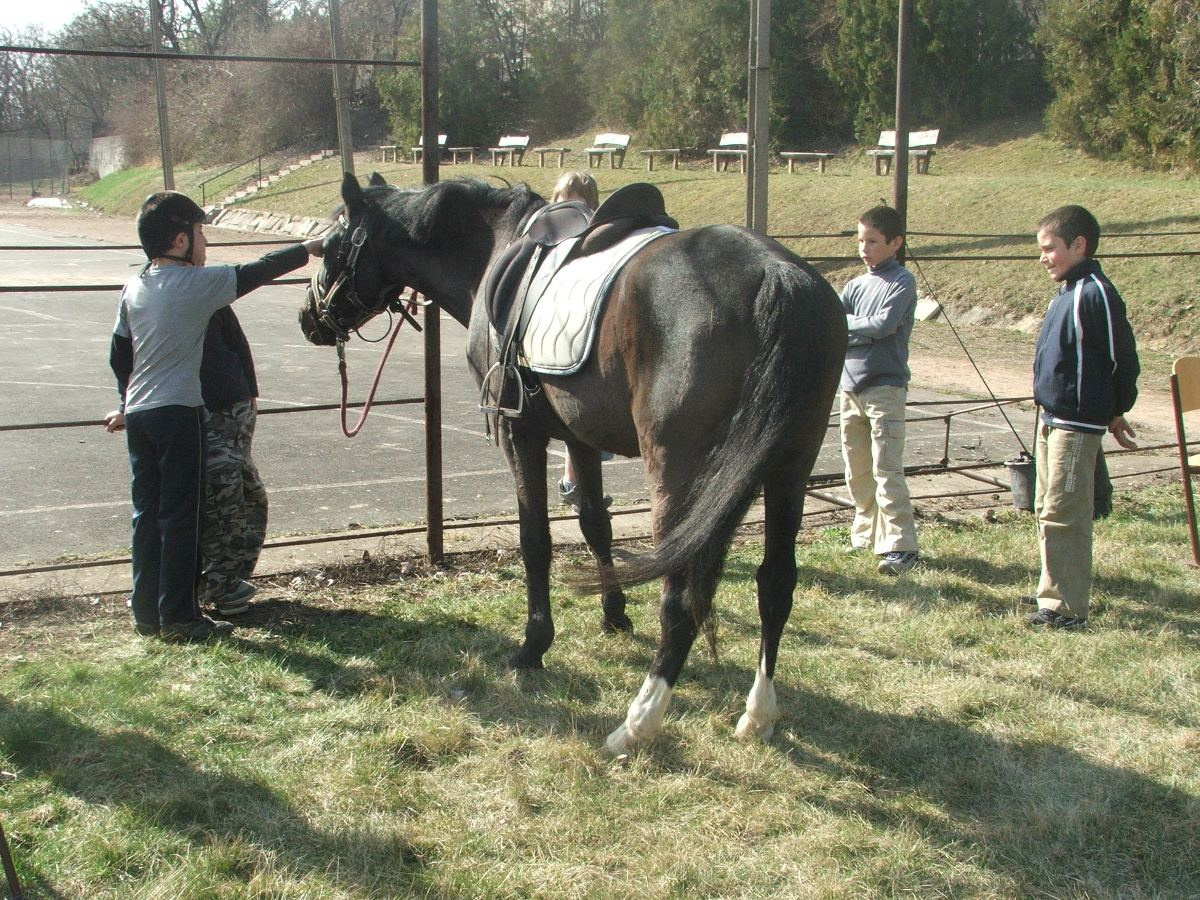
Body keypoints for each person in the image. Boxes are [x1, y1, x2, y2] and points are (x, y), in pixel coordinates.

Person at [104, 191, 323, 643]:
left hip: (141, 416)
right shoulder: (195, 285)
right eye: (202, 234)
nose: (205, 244)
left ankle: (147, 613)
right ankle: (182, 618)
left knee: (146, 515)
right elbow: (255, 272)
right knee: (181, 516)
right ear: (182, 241)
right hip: (179, 412)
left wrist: (125, 402)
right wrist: (307, 249)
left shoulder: (135, 287)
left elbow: (118, 353)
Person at [1027, 204, 1139, 630]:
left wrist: (1115, 410)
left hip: (1076, 425)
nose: (1043, 258)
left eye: (1049, 248)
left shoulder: (1095, 292)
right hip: (1051, 418)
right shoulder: (1067, 291)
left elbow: (1121, 358)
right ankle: (1051, 589)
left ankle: (1067, 607)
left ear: (1079, 245)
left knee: (1065, 513)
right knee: (1046, 507)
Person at [838, 205, 920, 576]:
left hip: (884, 388)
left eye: (872, 241)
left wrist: (849, 325)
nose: (864, 248)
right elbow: (834, 323)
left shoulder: (902, 282)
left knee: (887, 468)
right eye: (861, 240)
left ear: (895, 243)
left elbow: (883, 325)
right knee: (857, 470)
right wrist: (856, 326)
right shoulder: (854, 286)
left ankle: (900, 545)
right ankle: (865, 535)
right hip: (849, 388)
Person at [544, 171, 613, 510]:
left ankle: (574, 485)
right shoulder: (547, 234)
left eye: (577, 199)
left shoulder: (596, 235)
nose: (569, 204)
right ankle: (573, 485)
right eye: (563, 197)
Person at [196, 307, 267, 617]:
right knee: (220, 501)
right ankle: (216, 585)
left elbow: (237, 344)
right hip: (203, 411)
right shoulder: (160, 293)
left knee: (251, 497)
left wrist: (249, 392)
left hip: (234, 413)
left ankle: (232, 581)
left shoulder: (211, 293)